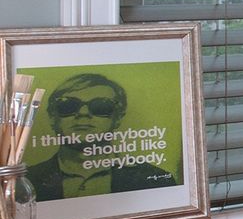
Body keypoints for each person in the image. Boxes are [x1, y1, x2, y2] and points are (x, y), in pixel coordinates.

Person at [24, 74, 179, 202]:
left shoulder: (155, 180)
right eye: (68, 105)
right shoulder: (22, 182)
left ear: (117, 119)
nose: (83, 113)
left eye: (101, 106)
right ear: (52, 117)